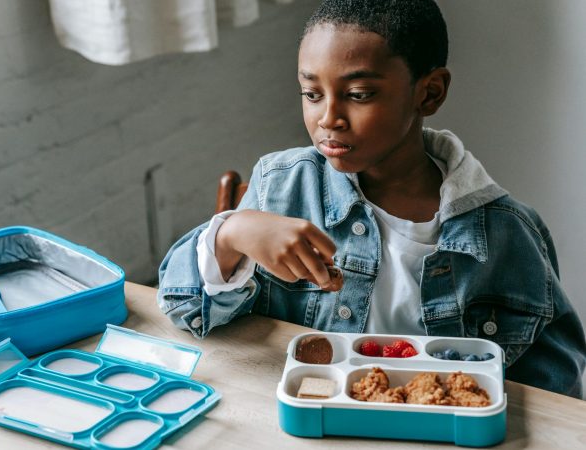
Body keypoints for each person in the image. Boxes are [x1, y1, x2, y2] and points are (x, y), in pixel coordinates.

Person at [157, 0, 586, 398]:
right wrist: (232, 233)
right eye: (312, 94)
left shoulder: (508, 233)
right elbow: (182, 308)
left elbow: (557, 391)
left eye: (358, 95)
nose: (328, 118)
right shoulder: (280, 187)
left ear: (430, 93)